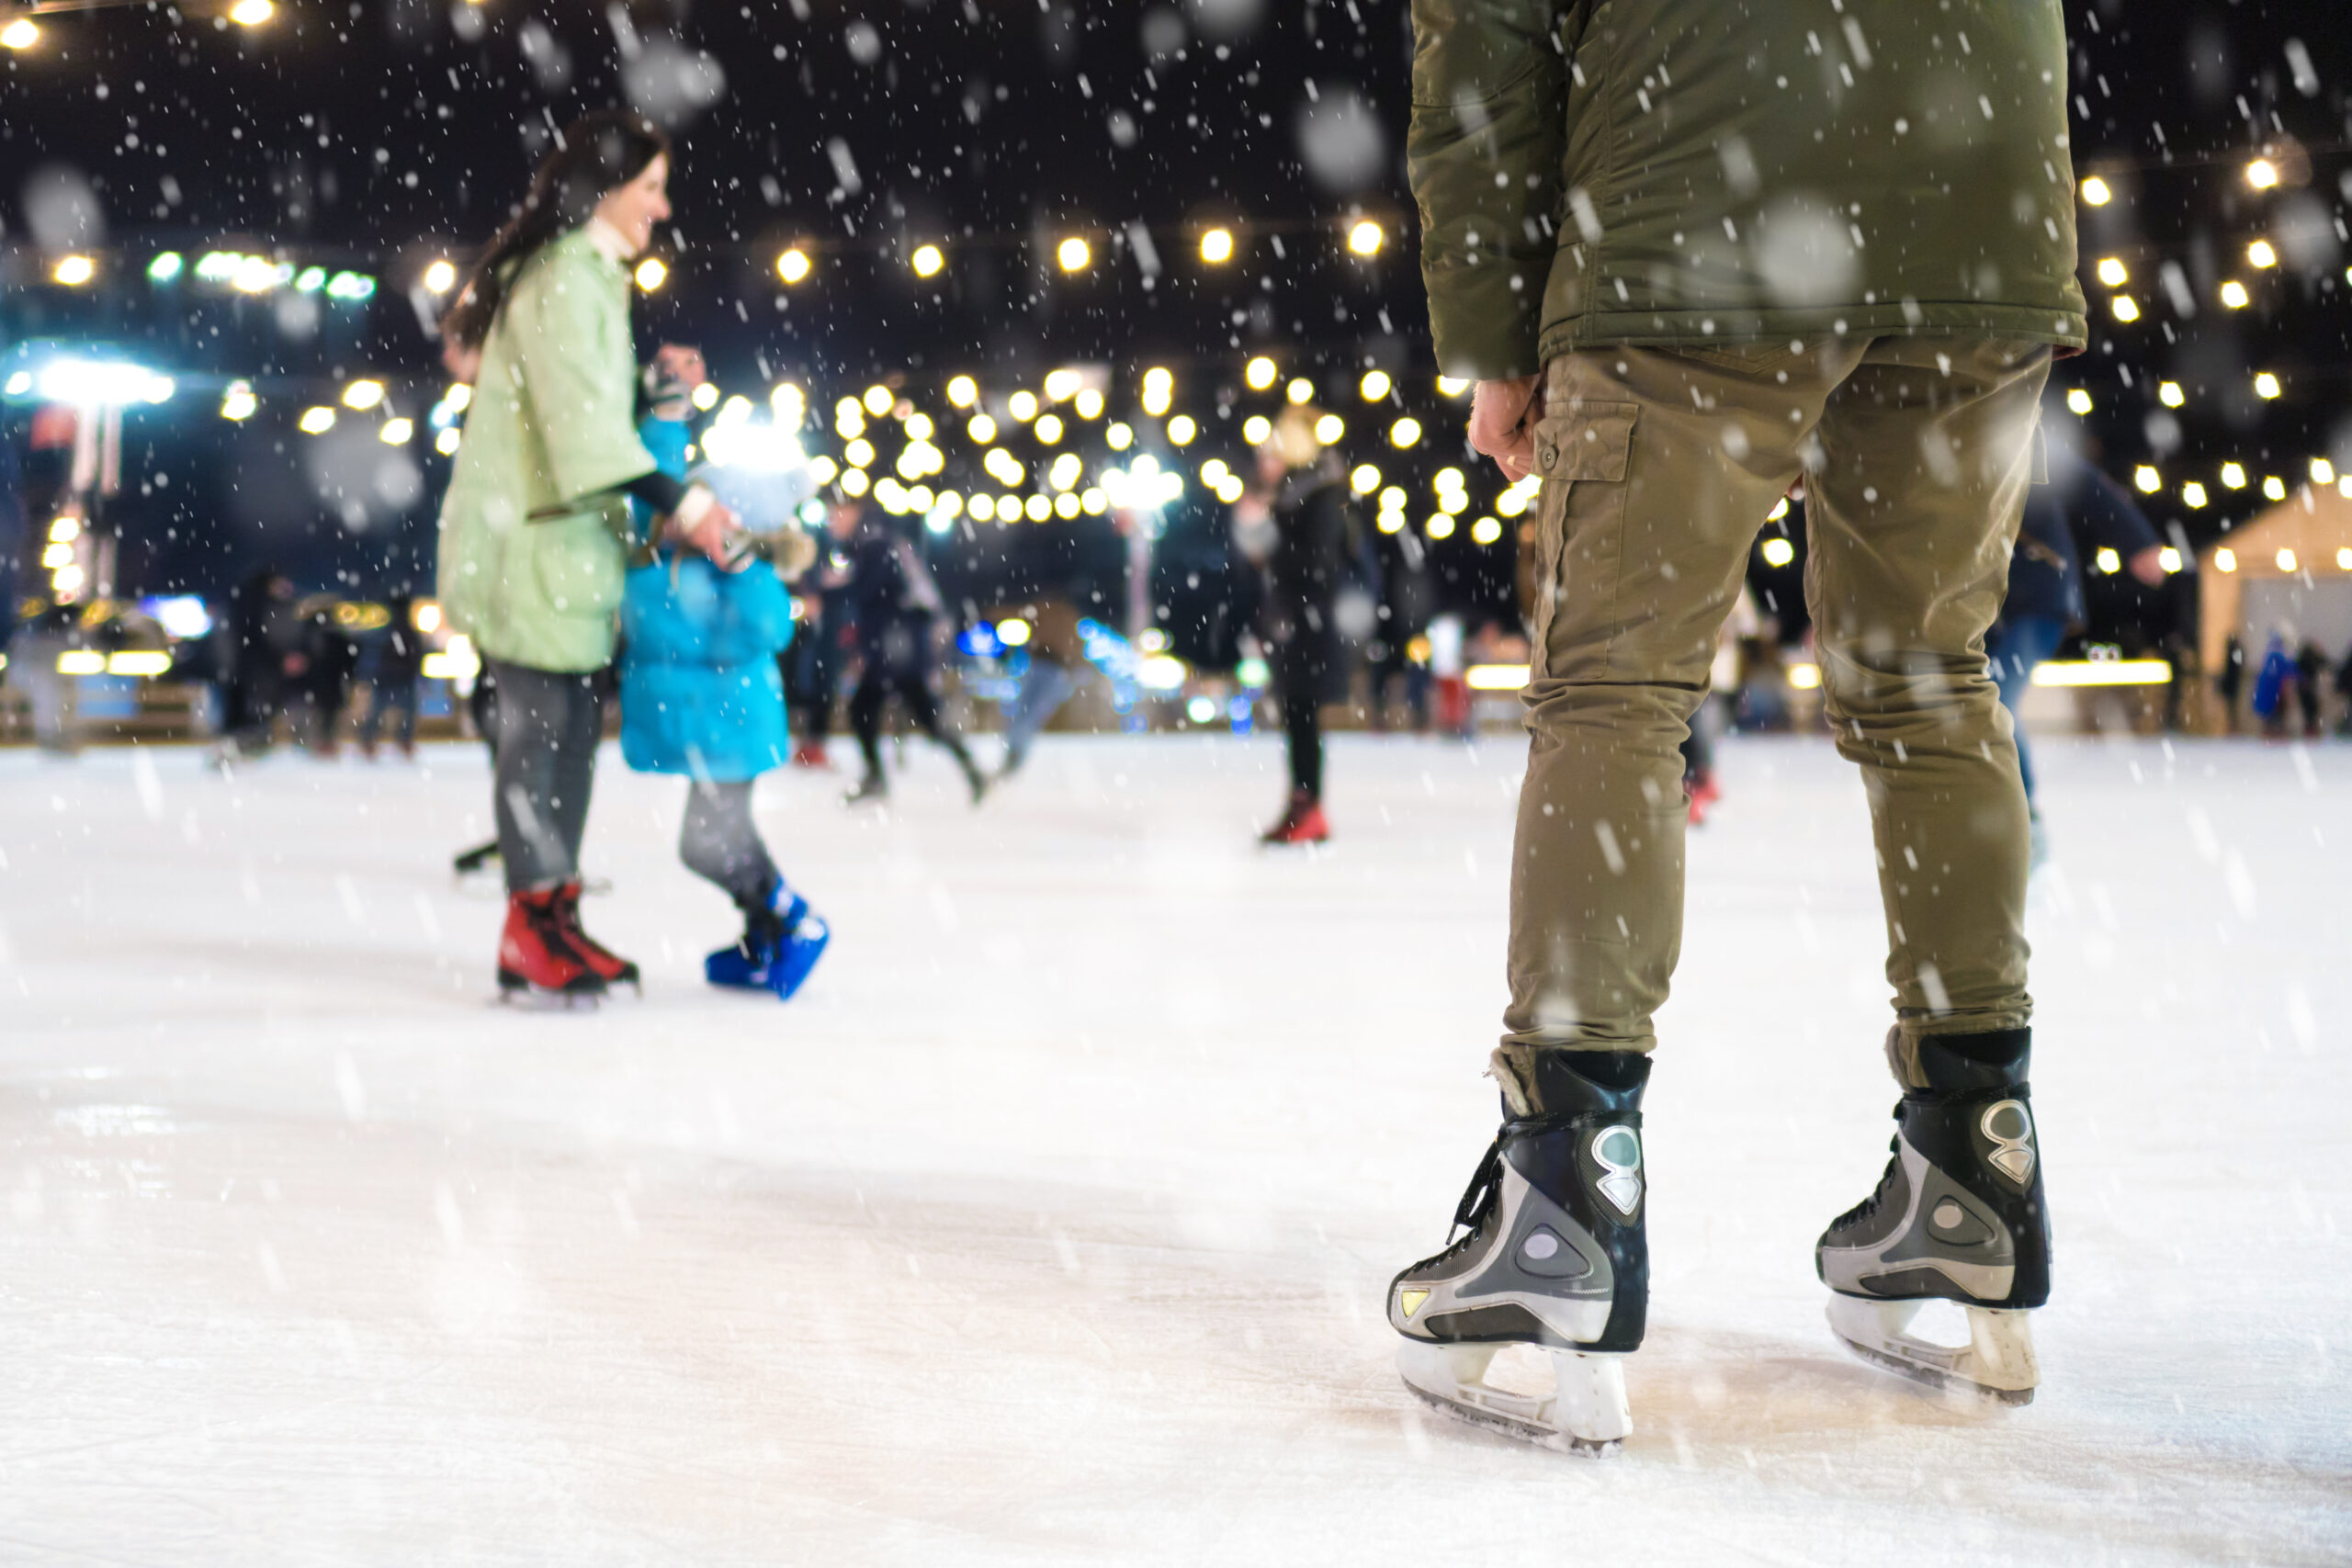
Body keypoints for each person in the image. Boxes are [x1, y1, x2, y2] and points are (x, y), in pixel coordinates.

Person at [1385, 0, 2085, 1448]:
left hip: (1693, 207)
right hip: (1978, 192)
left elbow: (1486, 47)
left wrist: (1493, 337)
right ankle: (1975, 1155)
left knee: (1615, 690)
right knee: (1935, 675)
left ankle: (1563, 1191)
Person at [435, 109, 743, 1002]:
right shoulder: (567, 280)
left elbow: (589, 422)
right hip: (530, 547)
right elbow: (585, 444)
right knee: (537, 747)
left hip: (564, 551)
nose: (662, 204)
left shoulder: (588, 280)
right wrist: (689, 504)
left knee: (567, 743)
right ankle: (533, 925)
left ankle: (552, 919)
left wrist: (654, 399)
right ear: (604, 190)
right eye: (649, 187)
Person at [618, 347, 831, 1001]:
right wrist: (668, 409)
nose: (689, 514)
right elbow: (656, 474)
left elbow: (772, 629)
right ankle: (765, 929)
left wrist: (741, 566)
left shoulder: (747, 576)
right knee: (721, 838)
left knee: (707, 845)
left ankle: (795, 919)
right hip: (699, 723)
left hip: (731, 723)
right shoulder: (659, 552)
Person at [1989, 446, 2165, 864]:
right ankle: (1989, 814)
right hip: (1982, 604)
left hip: (2039, 595)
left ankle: (2025, 818)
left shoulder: (2005, 427)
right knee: (1975, 701)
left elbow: (2084, 482)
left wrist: (2137, 541)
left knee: (1993, 698)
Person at [1236, 407, 1361, 845]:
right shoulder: (1298, 495)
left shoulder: (1318, 497)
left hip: (1309, 627)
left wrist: (1267, 536)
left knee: (1302, 720)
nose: (1266, 460)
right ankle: (1303, 806)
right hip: (1295, 624)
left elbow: (1317, 566)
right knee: (1297, 719)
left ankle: (1307, 809)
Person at [839, 498, 988, 805]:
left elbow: (877, 596)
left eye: (836, 513)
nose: (832, 521)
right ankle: (970, 769)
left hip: (896, 648)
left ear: (855, 513)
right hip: (898, 647)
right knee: (905, 713)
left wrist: (834, 588)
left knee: (869, 709)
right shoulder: (877, 543)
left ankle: (877, 777)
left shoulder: (875, 545)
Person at [360, 593, 427, 760]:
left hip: (390, 677)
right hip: (397, 677)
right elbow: (416, 654)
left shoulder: (387, 631)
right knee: (402, 711)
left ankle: (373, 741)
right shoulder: (405, 631)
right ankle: (398, 741)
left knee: (383, 711)